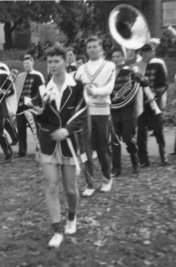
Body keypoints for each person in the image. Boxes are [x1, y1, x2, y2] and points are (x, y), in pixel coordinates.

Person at [34, 46, 87, 248]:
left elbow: (82, 113)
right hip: (48, 142)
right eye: (49, 62)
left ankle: (71, 217)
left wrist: (67, 130)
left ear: (65, 61)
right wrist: (39, 112)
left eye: (56, 61)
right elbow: (43, 118)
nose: (53, 65)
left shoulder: (78, 86)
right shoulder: (44, 88)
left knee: (70, 189)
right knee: (51, 185)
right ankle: (57, 230)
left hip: (69, 143)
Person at [74, 36, 116, 197]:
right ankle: (89, 182)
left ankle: (107, 179)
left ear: (100, 48)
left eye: (94, 46)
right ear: (86, 49)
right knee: (85, 149)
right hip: (85, 113)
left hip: (102, 111)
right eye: (89, 47)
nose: (92, 49)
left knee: (103, 147)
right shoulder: (81, 69)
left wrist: (96, 92)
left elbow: (110, 87)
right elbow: (76, 91)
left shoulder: (109, 66)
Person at [110, 48, 144, 176]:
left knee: (128, 139)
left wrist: (139, 76)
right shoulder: (109, 73)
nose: (116, 58)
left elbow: (143, 83)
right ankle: (116, 168)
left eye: (119, 56)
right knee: (114, 140)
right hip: (113, 110)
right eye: (114, 56)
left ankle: (135, 163)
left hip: (127, 111)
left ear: (123, 58)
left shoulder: (130, 71)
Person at [135, 43, 169, 166]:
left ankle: (164, 156)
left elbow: (164, 84)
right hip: (140, 104)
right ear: (143, 53)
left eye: (153, 51)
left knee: (158, 130)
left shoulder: (158, 64)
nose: (153, 53)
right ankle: (143, 160)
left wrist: (156, 93)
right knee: (140, 133)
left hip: (154, 102)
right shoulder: (136, 67)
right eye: (150, 51)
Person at [14, 54, 45, 157]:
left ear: (32, 63)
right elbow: (17, 91)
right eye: (24, 63)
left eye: (28, 63)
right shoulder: (20, 76)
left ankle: (41, 148)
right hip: (20, 106)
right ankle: (22, 151)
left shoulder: (37, 75)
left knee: (35, 128)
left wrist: (34, 101)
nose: (26, 65)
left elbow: (41, 91)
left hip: (31, 107)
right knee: (21, 129)